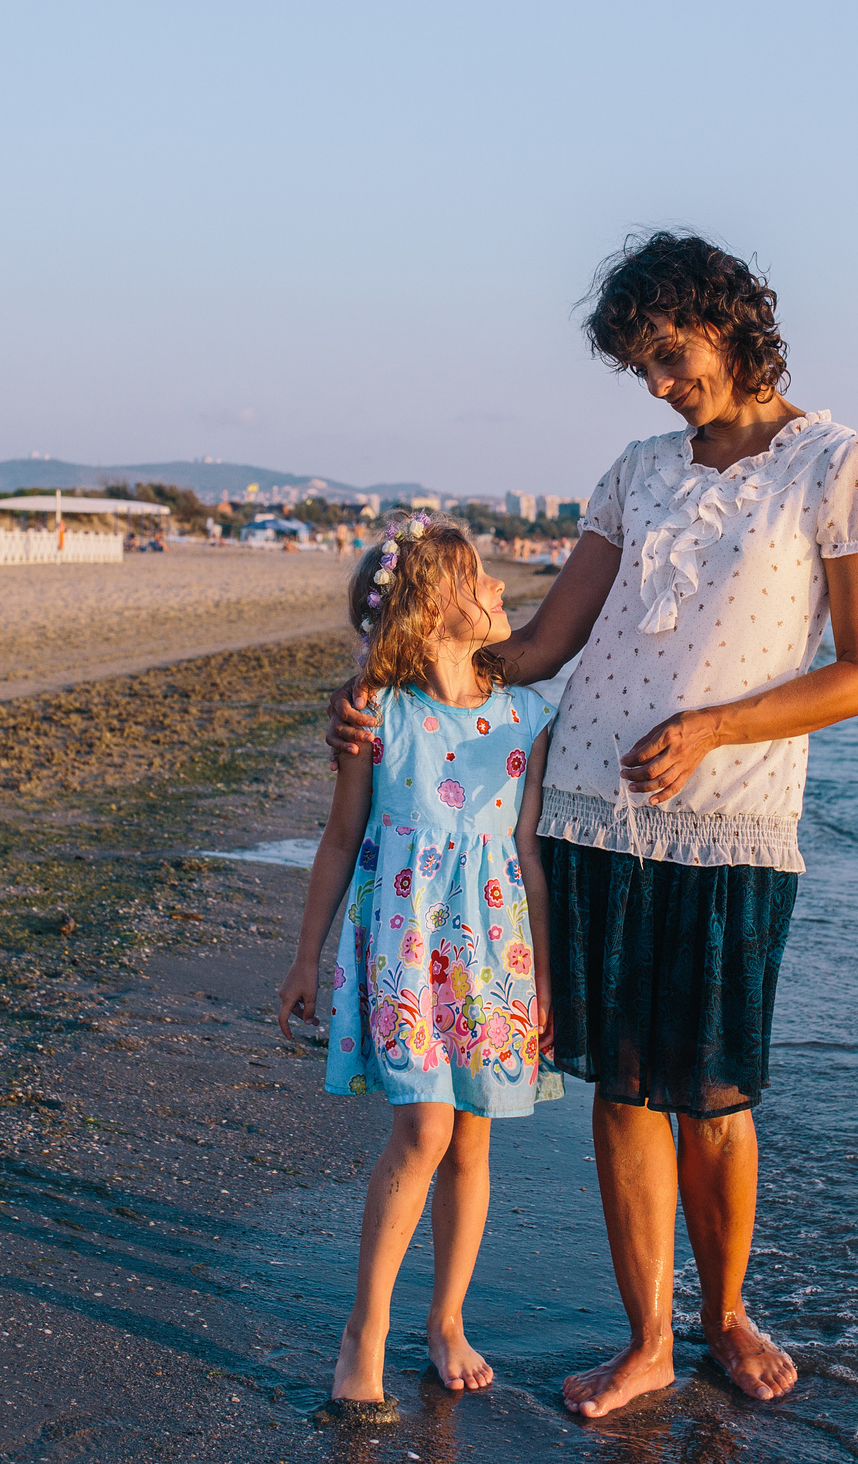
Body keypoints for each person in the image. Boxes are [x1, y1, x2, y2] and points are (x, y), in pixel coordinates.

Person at [329, 232, 858, 1418]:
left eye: (667, 354)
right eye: (639, 365)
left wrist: (714, 728)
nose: (656, 383)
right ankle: (647, 1340)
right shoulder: (636, 472)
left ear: (727, 322)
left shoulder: (840, 465)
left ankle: (725, 1317)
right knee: (628, 1089)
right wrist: (389, 687)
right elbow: (543, 645)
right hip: (589, 811)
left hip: (730, 823)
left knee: (718, 1092)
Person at [278, 512, 561, 1424]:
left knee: (472, 1137)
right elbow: (339, 838)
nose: (499, 587)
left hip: (492, 952)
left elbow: (529, 852)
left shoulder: (527, 715)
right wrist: (306, 955)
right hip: (404, 947)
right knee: (423, 1130)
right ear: (430, 606)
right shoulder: (380, 717)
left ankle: (446, 1320)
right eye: (478, 577)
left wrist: (545, 974)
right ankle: (364, 1333)